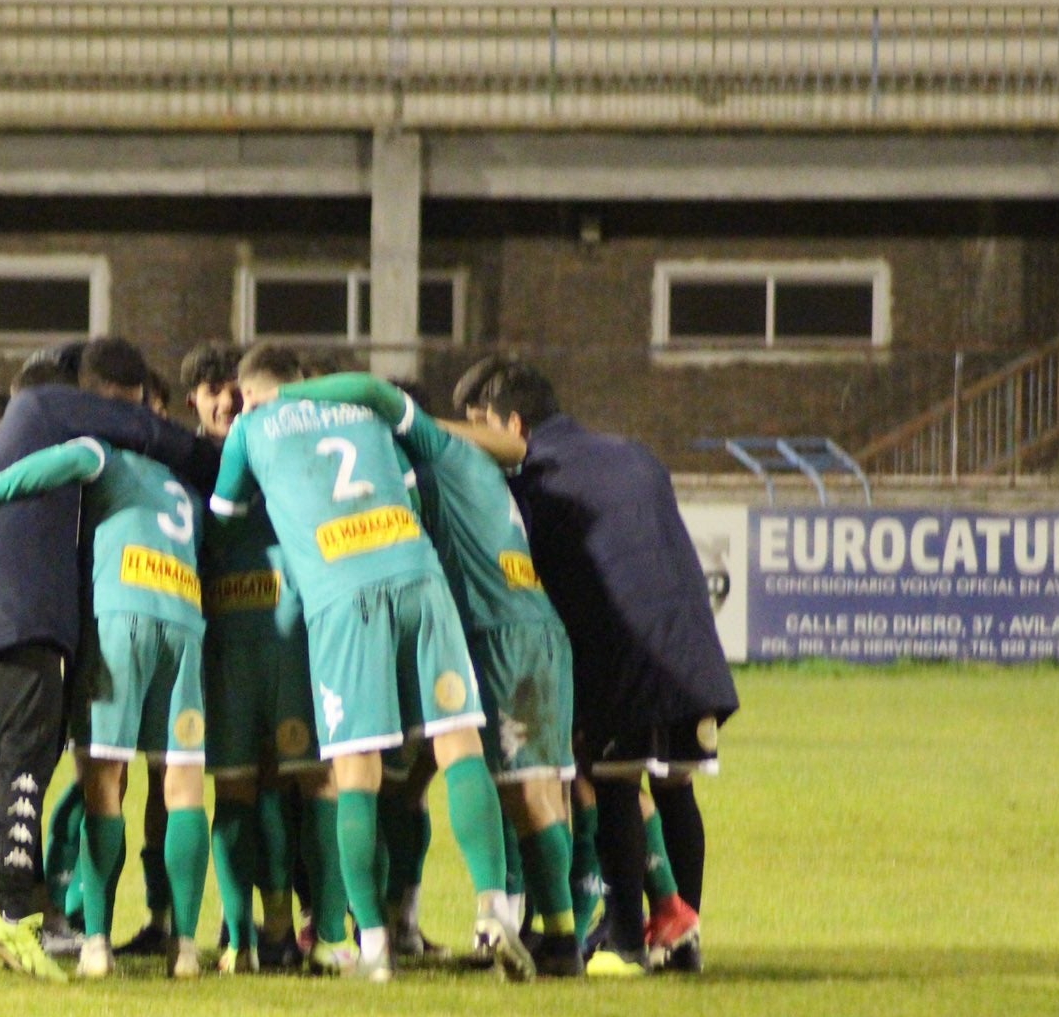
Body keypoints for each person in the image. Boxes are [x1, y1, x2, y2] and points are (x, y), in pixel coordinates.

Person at [211, 342, 516, 983]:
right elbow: (404, 476)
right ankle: (495, 912)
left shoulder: (248, 428)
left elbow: (226, 514)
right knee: (459, 743)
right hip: (417, 574)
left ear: (247, 393)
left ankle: (372, 944)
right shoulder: (363, 410)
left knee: (355, 771)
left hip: (340, 598)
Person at [0, 337, 219, 981]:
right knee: (38, 759)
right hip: (43, 607)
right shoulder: (78, 426)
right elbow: (146, 435)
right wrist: (219, 455)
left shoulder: (16, 431)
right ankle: (25, 915)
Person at [287, 371, 584, 977]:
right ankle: (542, 929)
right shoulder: (470, 456)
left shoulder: (414, 463)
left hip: (487, 630)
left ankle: (524, 928)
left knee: (515, 788)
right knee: (510, 783)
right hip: (538, 621)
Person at [470, 360, 736, 973]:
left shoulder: (536, 473)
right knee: (674, 785)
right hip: (693, 646)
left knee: (615, 781)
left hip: (628, 649)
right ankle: (678, 937)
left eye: (486, 430)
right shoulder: (634, 453)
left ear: (513, 423)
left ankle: (623, 942)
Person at [185, 340, 314, 974]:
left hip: (279, 637)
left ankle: (278, 930)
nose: (230, 405)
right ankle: (244, 935)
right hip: (229, 642)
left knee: (280, 789)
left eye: (236, 394)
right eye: (217, 394)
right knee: (240, 790)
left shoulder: (250, 453)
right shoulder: (199, 461)